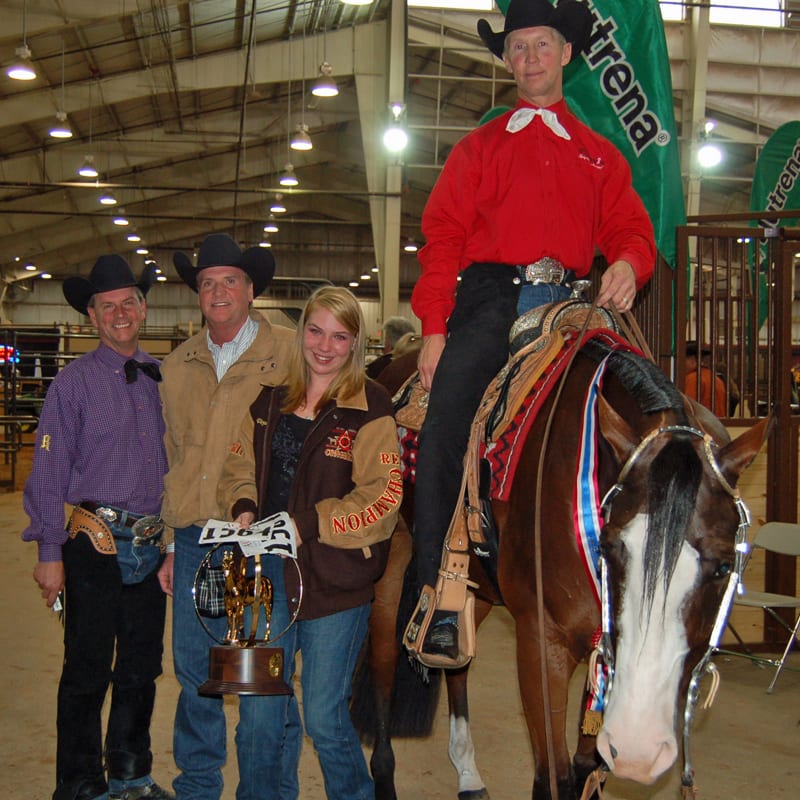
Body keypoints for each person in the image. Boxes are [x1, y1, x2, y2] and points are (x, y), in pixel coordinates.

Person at [404, 0, 656, 665]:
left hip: (570, 304)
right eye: (517, 48)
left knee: (651, 401)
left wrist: (630, 262)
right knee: (447, 420)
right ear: (507, 59)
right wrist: (434, 328)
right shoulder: (478, 148)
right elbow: (442, 239)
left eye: (541, 45)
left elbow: (629, 229)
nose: (529, 59)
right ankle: (439, 591)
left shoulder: (600, 156)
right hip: (491, 301)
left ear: (566, 53)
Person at [217, 286, 401, 799]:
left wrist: (308, 524)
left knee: (323, 719)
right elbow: (237, 465)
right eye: (316, 331)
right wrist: (245, 508)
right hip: (257, 579)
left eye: (339, 336)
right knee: (257, 714)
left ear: (355, 343)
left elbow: (383, 498)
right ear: (301, 334)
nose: (325, 346)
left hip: (335, 583)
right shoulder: (269, 399)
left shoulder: (372, 407)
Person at [22, 255, 173, 800]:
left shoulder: (164, 377)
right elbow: (50, 466)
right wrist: (49, 549)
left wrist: (174, 540)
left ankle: (131, 771)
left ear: (143, 308)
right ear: (92, 318)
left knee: (140, 665)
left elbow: (176, 465)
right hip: (94, 539)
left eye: (128, 301)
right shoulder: (72, 383)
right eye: (107, 306)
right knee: (87, 667)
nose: (120, 312)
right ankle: (80, 782)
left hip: (152, 544)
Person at [156, 233, 295, 800]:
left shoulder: (289, 353)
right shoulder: (176, 366)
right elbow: (169, 457)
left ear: (251, 290)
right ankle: (197, 783)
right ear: (197, 295)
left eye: (229, 281)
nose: (218, 292)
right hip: (194, 537)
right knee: (195, 675)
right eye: (207, 283)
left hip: (261, 541)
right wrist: (168, 543)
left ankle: (268, 789)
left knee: (264, 677)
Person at [685, 341, 727, 418]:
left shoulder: (693, 378)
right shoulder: (716, 378)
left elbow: (687, 408)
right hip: (718, 425)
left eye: (683, 359)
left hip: (700, 425)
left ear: (692, 360)